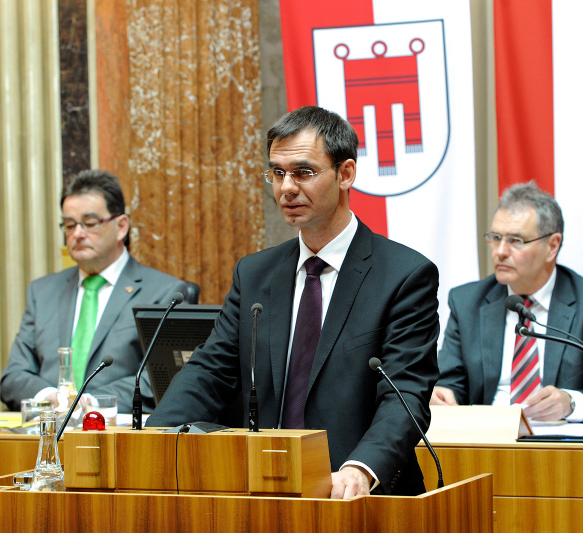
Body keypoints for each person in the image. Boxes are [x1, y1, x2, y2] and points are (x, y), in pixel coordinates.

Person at [146, 106, 440, 498]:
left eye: (303, 172)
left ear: (346, 173)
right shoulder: (254, 274)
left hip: (358, 495)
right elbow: (211, 371)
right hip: (267, 487)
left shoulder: (404, 275)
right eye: (277, 172)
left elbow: (405, 394)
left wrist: (360, 468)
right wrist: (154, 438)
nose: (286, 188)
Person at [432, 181, 583, 421]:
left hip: (561, 449)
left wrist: (571, 403)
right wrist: (441, 395)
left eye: (516, 241)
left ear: (552, 246)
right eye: (496, 237)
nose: (500, 251)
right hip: (487, 445)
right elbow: (451, 383)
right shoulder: (468, 302)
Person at [0, 170, 190, 413]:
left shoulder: (165, 293)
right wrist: (51, 397)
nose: (77, 234)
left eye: (89, 224)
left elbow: (161, 380)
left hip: (116, 438)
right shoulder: (42, 292)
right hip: (47, 434)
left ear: (121, 226)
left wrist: (90, 403)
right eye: (69, 225)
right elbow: (14, 376)